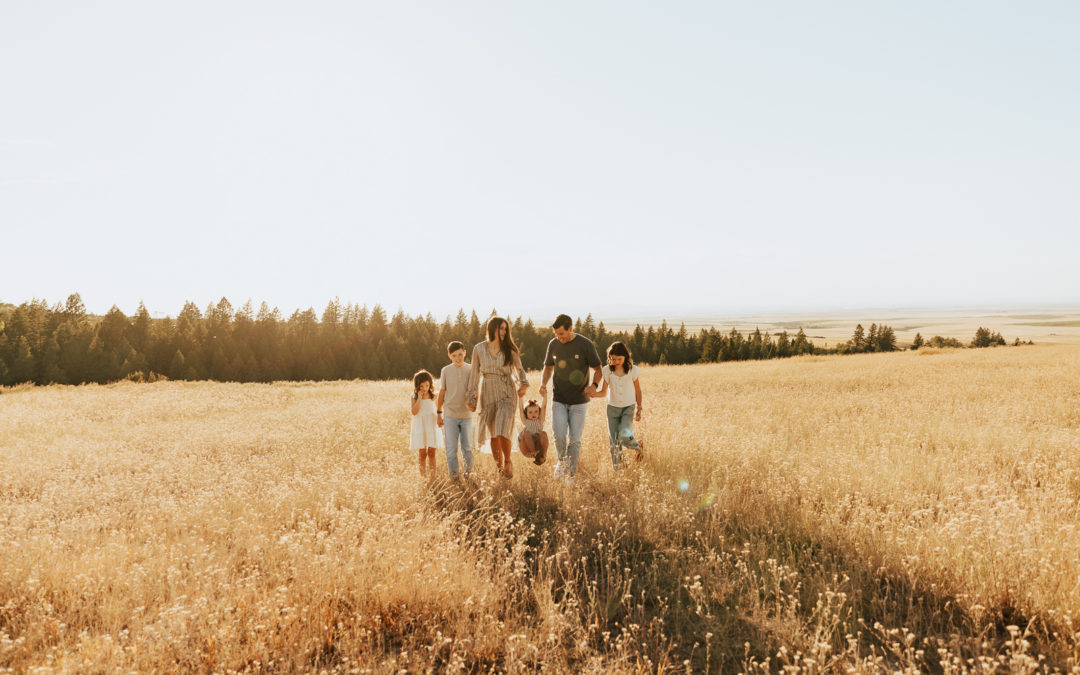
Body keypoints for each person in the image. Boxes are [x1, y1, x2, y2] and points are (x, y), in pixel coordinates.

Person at [539, 314, 603, 482]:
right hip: (559, 398)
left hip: (579, 402)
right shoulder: (553, 344)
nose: (559, 338)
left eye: (562, 334)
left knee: (574, 439)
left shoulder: (585, 344)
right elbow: (547, 367)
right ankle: (561, 461)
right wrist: (543, 384)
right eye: (556, 334)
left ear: (571, 328)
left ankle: (570, 475)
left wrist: (594, 386)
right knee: (559, 435)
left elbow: (598, 369)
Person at [467, 316, 529, 478]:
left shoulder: (509, 350)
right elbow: (474, 374)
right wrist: (472, 397)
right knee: (493, 433)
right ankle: (500, 468)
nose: (503, 332)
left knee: (502, 429)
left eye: (505, 329)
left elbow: (520, 370)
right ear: (492, 329)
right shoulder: (479, 349)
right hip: (487, 392)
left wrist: (523, 384)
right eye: (500, 328)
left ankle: (508, 461)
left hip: (506, 392)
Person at [593, 341, 644, 468]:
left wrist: (639, 407)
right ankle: (619, 468)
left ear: (626, 357)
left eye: (619, 359)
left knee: (624, 434)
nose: (616, 361)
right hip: (612, 409)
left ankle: (637, 447)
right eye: (613, 359)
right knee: (614, 441)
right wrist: (592, 394)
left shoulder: (632, 370)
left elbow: (638, 390)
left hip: (628, 407)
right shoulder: (607, 371)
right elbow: (604, 392)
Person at [437, 341, 474, 478]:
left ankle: (468, 474)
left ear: (464, 352)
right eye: (454, 356)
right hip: (450, 415)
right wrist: (439, 413)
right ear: (449, 356)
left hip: (467, 415)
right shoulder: (445, 370)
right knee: (451, 449)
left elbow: (474, 391)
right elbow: (442, 392)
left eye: (460, 354)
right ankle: (454, 476)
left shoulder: (471, 369)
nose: (458, 358)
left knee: (467, 448)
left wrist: (474, 403)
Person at [410, 369, 442, 479]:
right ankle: (423, 478)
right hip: (420, 426)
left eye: (427, 385)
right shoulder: (414, 396)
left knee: (432, 453)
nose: (424, 388)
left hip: (431, 426)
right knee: (422, 453)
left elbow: (438, 410)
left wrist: (440, 419)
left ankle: (433, 477)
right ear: (417, 386)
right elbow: (414, 412)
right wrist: (419, 398)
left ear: (430, 384)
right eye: (421, 386)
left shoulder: (434, 396)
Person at [518, 390, 549, 466]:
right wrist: (520, 397)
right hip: (526, 447)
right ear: (526, 413)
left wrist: (545, 395)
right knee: (527, 433)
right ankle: (533, 452)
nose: (533, 414)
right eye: (530, 412)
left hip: (538, 445)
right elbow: (521, 409)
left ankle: (543, 454)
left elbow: (544, 407)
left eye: (536, 411)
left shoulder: (540, 421)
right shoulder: (526, 421)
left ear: (539, 412)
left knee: (543, 433)